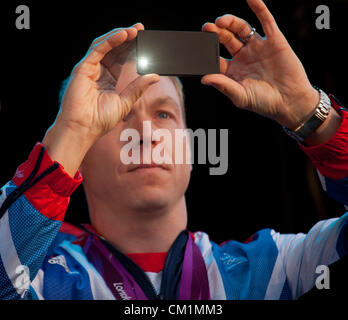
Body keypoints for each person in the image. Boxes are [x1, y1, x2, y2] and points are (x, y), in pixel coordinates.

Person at [0, 0, 347, 300]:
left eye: (163, 114)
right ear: (81, 159)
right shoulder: (39, 276)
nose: (147, 134)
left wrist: (308, 111)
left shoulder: (276, 268)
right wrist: (73, 131)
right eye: (119, 115)